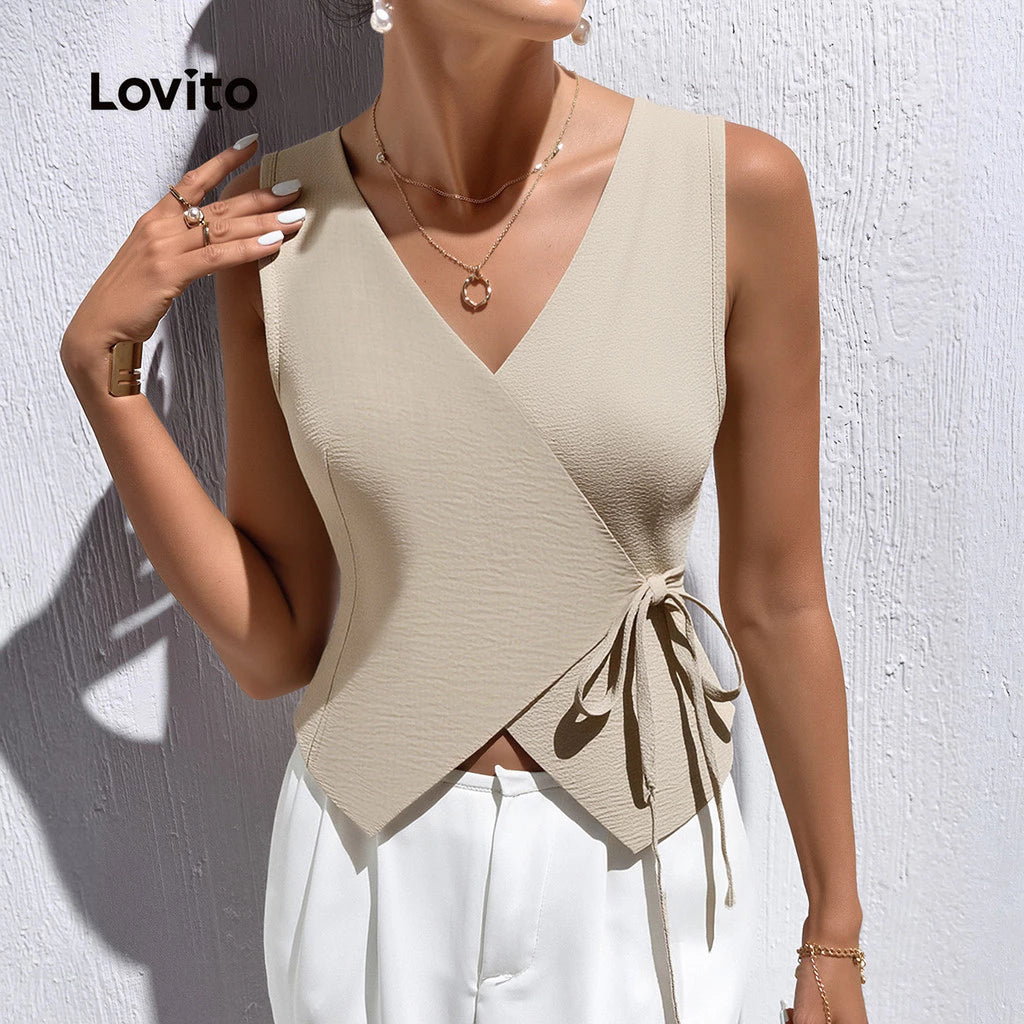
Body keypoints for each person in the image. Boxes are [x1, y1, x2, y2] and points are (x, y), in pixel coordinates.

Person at [60, 2, 869, 1022]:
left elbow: (778, 600)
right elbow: (277, 647)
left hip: (641, 860)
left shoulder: (732, 191)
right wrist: (107, 381)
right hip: (366, 866)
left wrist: (834, 927)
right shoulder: (280, 228)